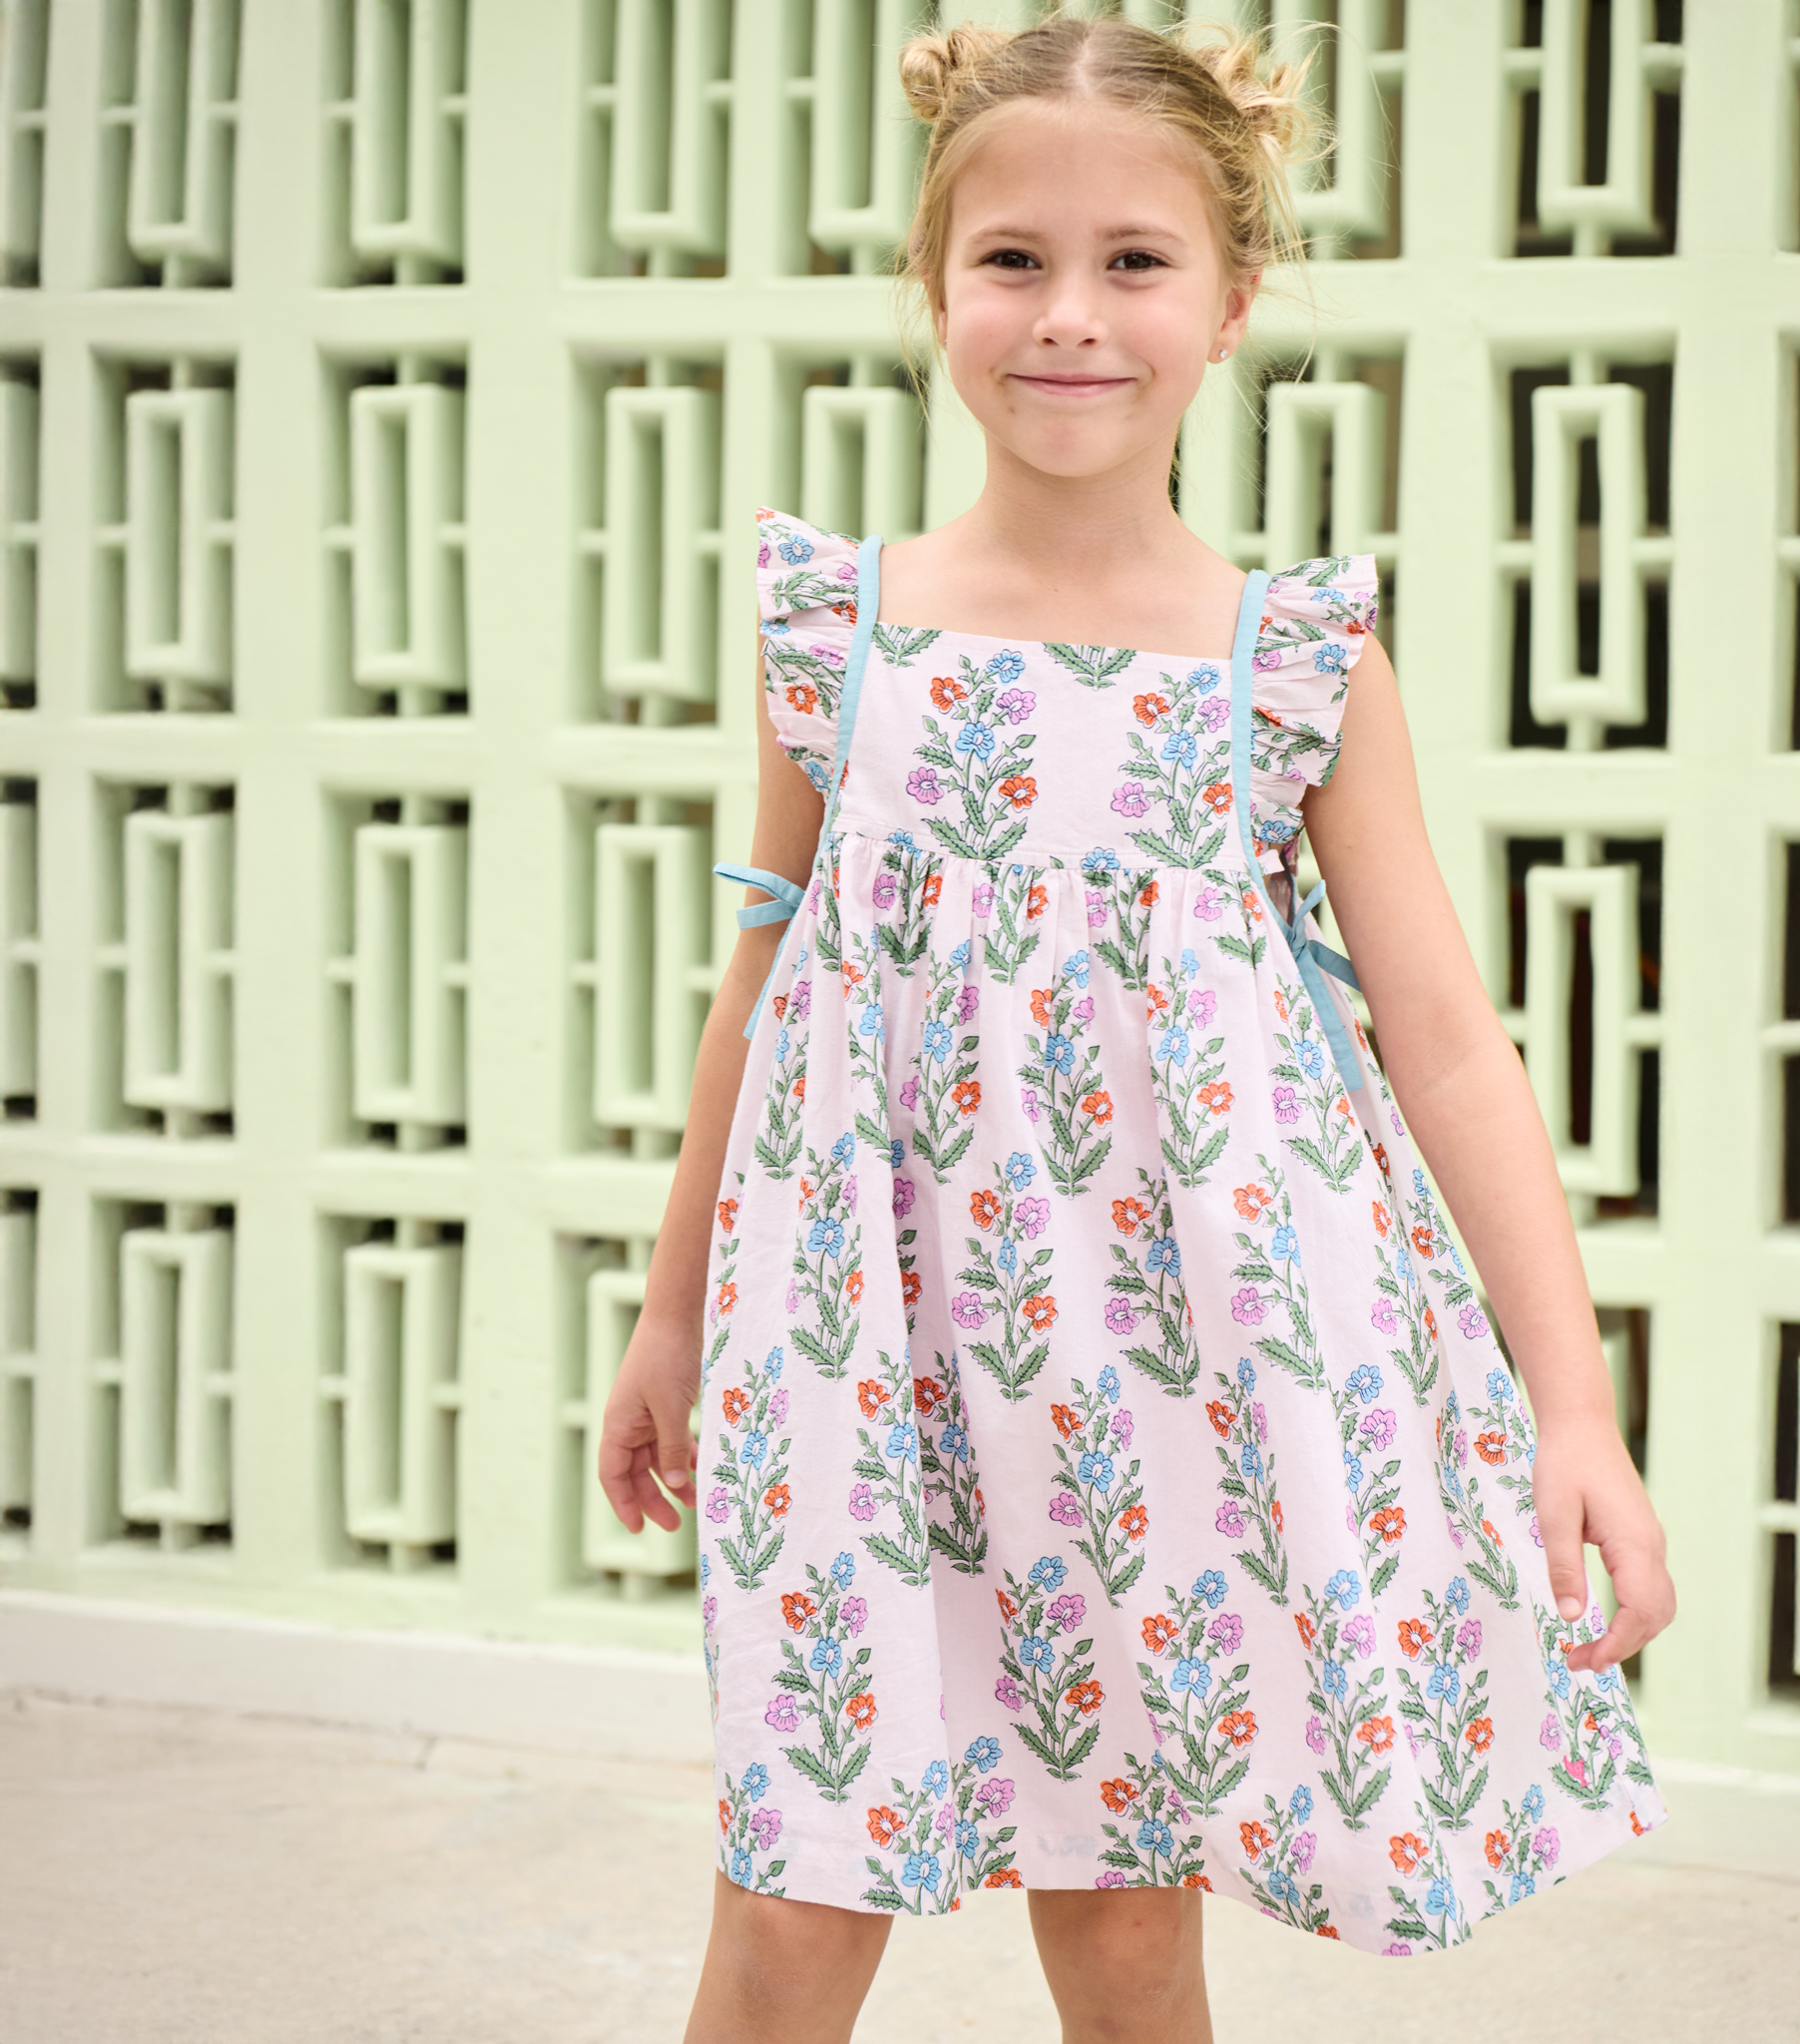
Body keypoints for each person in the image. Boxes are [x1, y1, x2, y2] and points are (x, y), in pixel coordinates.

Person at [599, 14, 1676, 2041]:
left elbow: (1448, 1042)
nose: (1069, 315)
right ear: (932, 283)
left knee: (1120, 1915)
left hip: (1165, 1373)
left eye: (1135, 262)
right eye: (1012, 258)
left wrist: (1574, 1411)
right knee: (795, 1896)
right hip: (856, 1349)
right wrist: (669, 1313)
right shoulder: (841, 632)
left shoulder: (1293, 660)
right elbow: (762, 983)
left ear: (1231, 299)